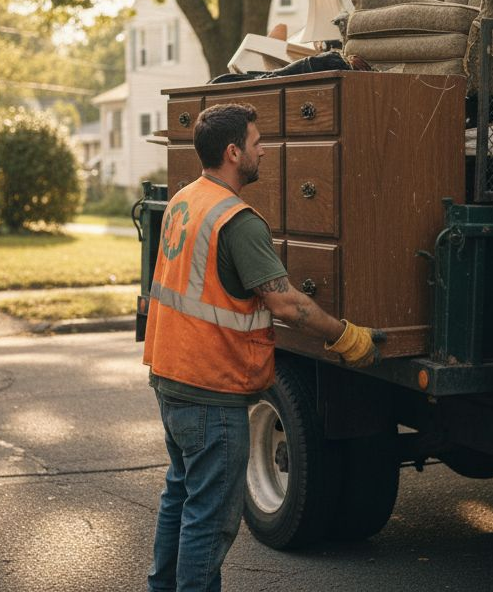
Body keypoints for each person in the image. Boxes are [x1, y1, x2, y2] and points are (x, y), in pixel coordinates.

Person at [142, 102, 382, 592]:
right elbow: (288, 305)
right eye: (256, 143)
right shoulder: (237, 220)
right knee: (210, 519)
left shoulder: (185, 199)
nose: (264, 152)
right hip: (212, 389)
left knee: (181, 497)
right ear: (233, 153)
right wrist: (346, 337)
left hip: (171, 377)